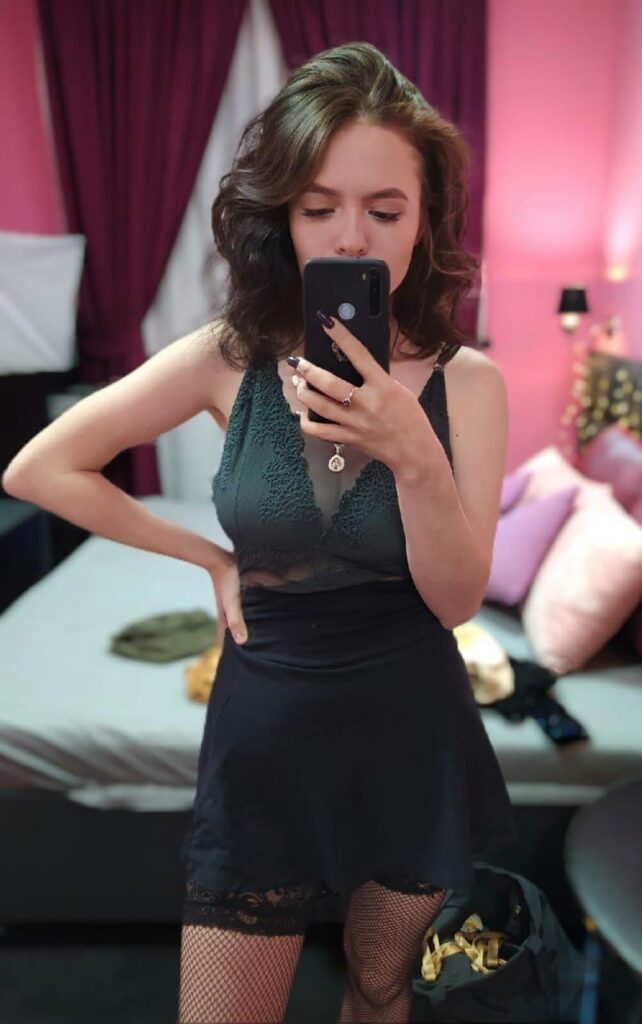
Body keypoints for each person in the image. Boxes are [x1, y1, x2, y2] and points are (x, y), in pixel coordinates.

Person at [2, 41, 518, 1024]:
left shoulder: (471, 384)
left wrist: (413, 452)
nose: (352, 237)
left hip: (411, 731)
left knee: (379, 986)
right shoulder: (227, 358)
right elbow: (38, 469)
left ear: (426, 219)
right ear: (281, 215)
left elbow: (455, 600)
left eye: (386, 210)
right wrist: (207, 556)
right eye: (320, 208)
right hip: (265, 732)